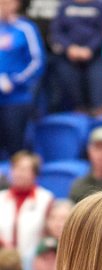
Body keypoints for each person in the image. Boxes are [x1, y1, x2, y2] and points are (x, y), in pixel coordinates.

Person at [48, 0, 102, 114]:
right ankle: (76, 111)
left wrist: (90, 49)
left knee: (99, 77)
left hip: (95, 55)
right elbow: (56, 32)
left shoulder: (100, 5)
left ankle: (100, 111)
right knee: (64, 73)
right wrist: (69, 48)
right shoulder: (65, 5)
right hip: (69, 56)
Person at [0, 0, 45, 157]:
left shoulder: (25, 28)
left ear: (16, 4)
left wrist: (14, 81)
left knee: (16, 149)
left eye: (6, 3)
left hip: (16, 99)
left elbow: (37, 62)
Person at [0, 150, 54, 270]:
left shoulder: (46, 199)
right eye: (16, 168)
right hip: (2, 265)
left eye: (24, 169)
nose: (19, 173)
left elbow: (49, 234)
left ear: (35, 174)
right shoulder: (1, 198)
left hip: (32, 268)